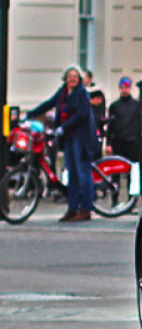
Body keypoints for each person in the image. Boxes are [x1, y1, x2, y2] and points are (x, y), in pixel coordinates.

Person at [28, 66, 95, 222]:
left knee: (83, 173)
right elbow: (49, 103)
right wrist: (31, 114)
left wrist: (62, 128)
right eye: (70, 77)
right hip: (69, 137)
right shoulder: (63, 92)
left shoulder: (82, 93)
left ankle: (85, 209)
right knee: (72, 173)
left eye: (75, 77)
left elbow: (82, 115)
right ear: (65, 79)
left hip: (81, 138)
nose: (72, 79)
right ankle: (72, 208)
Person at [106, 77, 142, 162]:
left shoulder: (137, 105)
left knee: (132, 169)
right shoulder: (114, 106)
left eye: (126, 88)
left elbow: (140, 124)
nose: (124, 90)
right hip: (118, 143)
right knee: (116, 170)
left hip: (133, 143)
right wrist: (108, 143)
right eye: (122, 88)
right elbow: (110, 126)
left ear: (130, 88)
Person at [87, 89, 108, 158]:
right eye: (99, 99)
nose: (100, 102)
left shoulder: (99, 108)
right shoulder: (87, 109)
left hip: (98, 139)